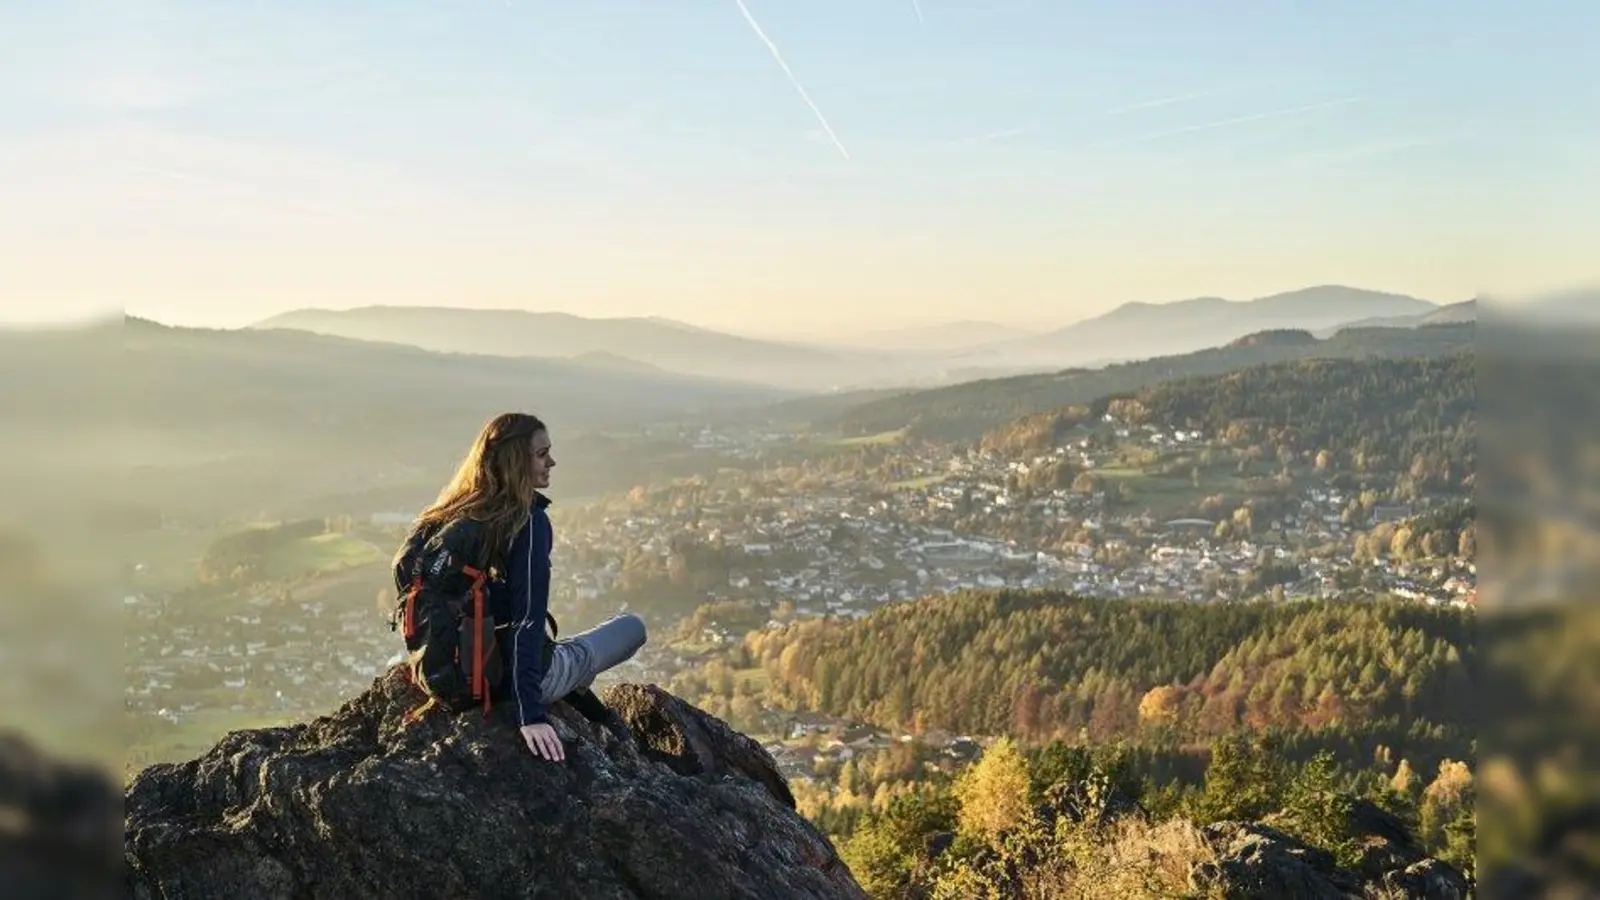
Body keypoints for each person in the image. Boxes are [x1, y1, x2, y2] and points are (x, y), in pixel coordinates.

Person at [403, 412, 648, 762]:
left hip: (445, 678)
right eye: (541, 454)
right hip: (501, 680)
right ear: (517, 461)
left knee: (562, 653)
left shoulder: (446, 517)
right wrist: (529, 715)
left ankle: (579, 691)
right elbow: (527, 622)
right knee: (630, 628)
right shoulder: (528, 522)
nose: (552, 462)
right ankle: (576, 686)